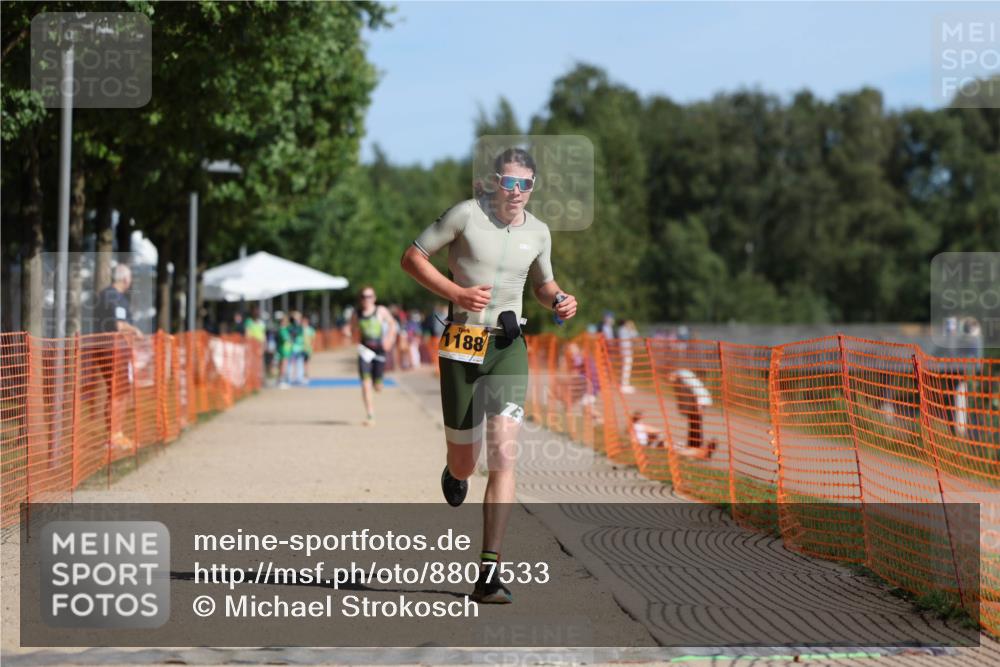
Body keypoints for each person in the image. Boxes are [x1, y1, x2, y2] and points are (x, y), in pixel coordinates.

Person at [400, 147, 578, 604]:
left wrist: (558, 299)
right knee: (466, 461)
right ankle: (455, 471)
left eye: (525, 185)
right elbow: (412, 258)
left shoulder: (538, 232)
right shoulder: (465, 215)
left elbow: (542, 284)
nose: (516, 192)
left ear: (533, 188)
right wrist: (456, 291)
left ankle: (489, 571)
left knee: (504, 454)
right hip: (462, 343)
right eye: (509, 182)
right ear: (494, 181)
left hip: (508, 347)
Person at [92, 264, 144, 450]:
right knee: (117, 391)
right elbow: (119, 325)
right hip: (112, 350)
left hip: (112, 349)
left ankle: (117, 433)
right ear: (125, 279)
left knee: (118, 390)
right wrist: (136, 330)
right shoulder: (113, 296)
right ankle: (114, 436)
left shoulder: (110, 295)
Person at [349, 286, 398, 426]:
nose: (367, 299)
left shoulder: (380, 310)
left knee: (378, 386)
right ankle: (370, 415)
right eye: (364, 296)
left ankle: (378, 382)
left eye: (369, 296)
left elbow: (393, 324)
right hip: (365, 350)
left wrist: (389, 339)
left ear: (374, 298)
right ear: (360, 299)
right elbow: (352, 328)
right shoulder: (356, 313)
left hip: (380, 350)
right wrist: (351, 335)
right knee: (365, 383)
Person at [668, 369, 718, 460]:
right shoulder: (680, 377)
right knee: (693, 425)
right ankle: (693, 447)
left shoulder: (684, 378)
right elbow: (682, 395)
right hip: (694, 403)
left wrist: (699, 405)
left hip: (699, 402)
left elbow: (696, 390)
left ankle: (696, 447)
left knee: (696, 426)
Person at [301, 315, 316, 381]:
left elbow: (313, 339)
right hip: (300, 348)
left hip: (307, 348)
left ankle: (306, 374)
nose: (304, 322)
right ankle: (301, 374)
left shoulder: (310, 330)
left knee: (306, 362)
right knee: (300, 362)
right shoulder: (300, 329)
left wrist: (312, 347)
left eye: (305, 321)